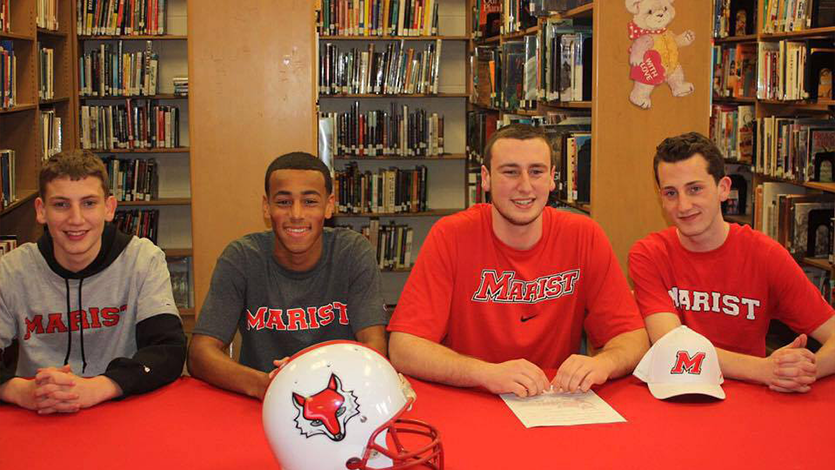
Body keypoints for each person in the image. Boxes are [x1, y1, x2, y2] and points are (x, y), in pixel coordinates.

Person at [387, 124, 649, 397]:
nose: (525, 186)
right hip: (474, 398)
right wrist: (485, 373)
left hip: (554, 403)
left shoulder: (584, 235)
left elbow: (633, 338)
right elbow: (404, 347)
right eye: (510, 172)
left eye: (536, 171)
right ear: (486, 178)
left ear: (551, 178)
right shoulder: (451, 235)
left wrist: (602, 364)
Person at [629, 132, 835, 392]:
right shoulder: (648, 255)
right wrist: (763, 369)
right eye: (671, 193)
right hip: (677, 394)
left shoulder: (765, 255)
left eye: (695, 189)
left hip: (751, 402)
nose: (683, 205)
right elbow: (675, 349)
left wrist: (802, 371)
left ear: (723, 188)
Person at [188, 152, 387, 399]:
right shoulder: (241, 257)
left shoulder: (352, 252)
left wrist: (304, 377)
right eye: (283, 202)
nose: (296, 214)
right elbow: (199, 354)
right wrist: (266, 385)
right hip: (261, 400)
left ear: (329, 205)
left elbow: (375, 347)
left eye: (310, 202)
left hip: (339, 396)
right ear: (266, 206)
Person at [0, 150, 186, 414]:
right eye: (61, 204)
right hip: (40, 413)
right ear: (41, 211)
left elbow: (168, 350)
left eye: (88, 203)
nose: (76, 219)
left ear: (109, 208)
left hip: (121, 407)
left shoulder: (142, 260)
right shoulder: (11, 270)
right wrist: (22, 391)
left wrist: (97, 387)